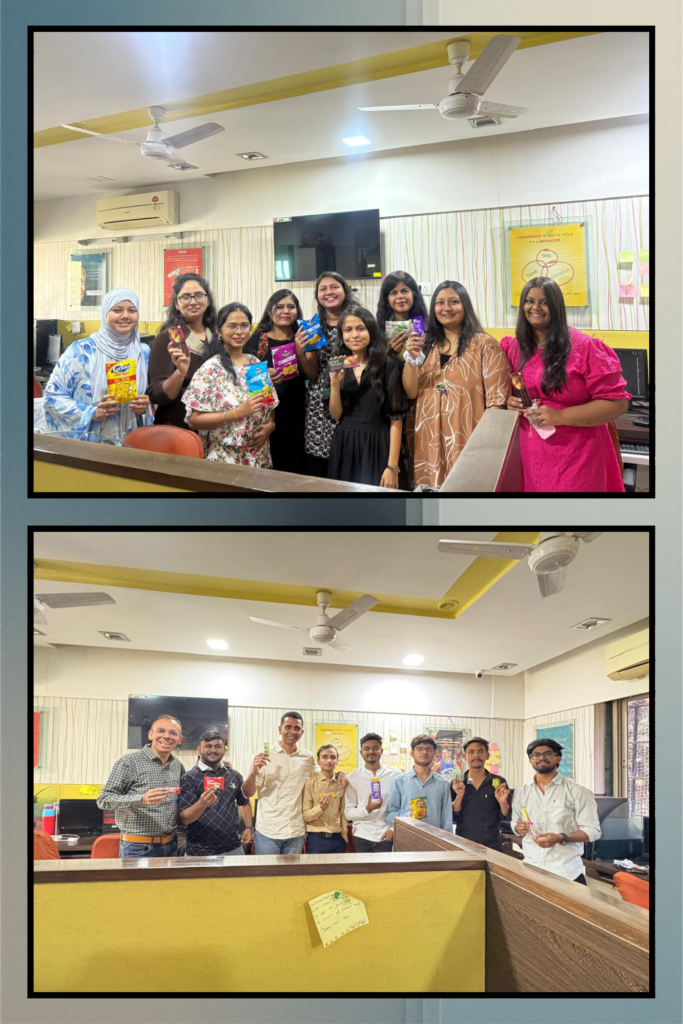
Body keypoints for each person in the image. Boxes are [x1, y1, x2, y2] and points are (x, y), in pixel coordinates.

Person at [501, 277, 630, 492]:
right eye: (529, 301)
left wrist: (559, 416)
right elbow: (504, 390)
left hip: (577, 452)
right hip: (529, 450)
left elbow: (617, 404)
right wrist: (509, 402)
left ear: (557, 306)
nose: (535, 307)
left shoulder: (585, 348)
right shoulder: (512, 347)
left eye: (544, 302)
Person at [402, 280, 511, 488]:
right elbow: (411, 392)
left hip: (468, 443)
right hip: (427, 442)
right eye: (440, 303)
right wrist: (411, 358)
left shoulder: (484, 345)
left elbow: (498, 403)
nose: (446, 308)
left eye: (454, 301)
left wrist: (487, 450)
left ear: (465, 306)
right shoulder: (425, 344)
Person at [43, 288, 152, 441]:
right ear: (105, 313)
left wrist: (145, 407)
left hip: (130, 442)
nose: (126, 316)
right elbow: (51, 398)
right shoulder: (81, 351)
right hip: (92, 442)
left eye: (132, 310)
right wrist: (91, 413)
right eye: (117, 310)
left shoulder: (143, 351)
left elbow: (143, 396)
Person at [182, 302, 278, 467]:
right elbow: (194, 420)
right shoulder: (210, 369)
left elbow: (268, 404)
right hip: (226, 459)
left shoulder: (254, 364)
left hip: (259, 456)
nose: (239, 332)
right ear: (219, 330)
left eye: (244, 326)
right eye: (232, 326)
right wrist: (238, 412)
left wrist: (270, 424)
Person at [327, 305, 408, 488]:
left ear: (371, 330)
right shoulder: (336, 365)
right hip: (345, 444)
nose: (354, 335)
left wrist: (392, 466)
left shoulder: (388, 365)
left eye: (360, 328)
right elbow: (336, 415)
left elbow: (396, 418)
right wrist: (334, 384)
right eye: (348, 330)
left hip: (379, 444)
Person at [510, 738, 601, 883]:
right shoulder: (521, 792)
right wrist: (517, 827)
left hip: (566, 873)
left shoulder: (578, 792)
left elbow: (593, 831)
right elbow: (515, 821)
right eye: (536, 755)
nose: (541, 758)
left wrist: (561, 837)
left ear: (558, 758)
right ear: (530, 760)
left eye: (547, 754)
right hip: (531, 870)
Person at [244, 289, 314, 475]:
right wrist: (263, 376)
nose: (286, 311)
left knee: (297, 463)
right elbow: (246, 375)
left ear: (296, 311)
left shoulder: (304, 336)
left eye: (291, 307)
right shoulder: (259, 339)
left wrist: (300, 351)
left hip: (299, 409)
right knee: (272, 463)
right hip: (266, 412)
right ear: (269, 311)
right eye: (280, 307)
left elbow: (313, 373)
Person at [97, 715, 185, 858]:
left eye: (173, 733)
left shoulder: (177, 765)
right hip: (138, 848)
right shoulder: (129, 762)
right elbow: (104, 799)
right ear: (151, 734)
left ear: (179, 739)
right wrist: (141, 799)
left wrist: (219, 768)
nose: (166, 736)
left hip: (171, 844)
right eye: (161, 731)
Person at [147, 272, 218, 430]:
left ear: (207, 300)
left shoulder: (217, 335)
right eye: (185, 297)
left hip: (215, 424)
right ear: (177, 304)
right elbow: (157, 395)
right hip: (178, 426)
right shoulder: (169, 339)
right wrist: (179, 373)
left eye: (199, 295)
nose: (193, 302)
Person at [242, 712, 317, 855]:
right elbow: (247, 793)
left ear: (302, 732)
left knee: (291, 876)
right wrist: (253, 772)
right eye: (288, 727)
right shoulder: (263, 755)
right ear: (280, 729)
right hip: (268, 831)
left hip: (295, 831)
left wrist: (340, 775)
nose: (292, 732)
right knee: (266, 874)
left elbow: (321, 775)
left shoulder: (307, 757)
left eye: (297, 728)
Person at [302, 271, 353, 477]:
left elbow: (367, 358)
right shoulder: (313, 326)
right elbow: (313, 373)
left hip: (352, 395)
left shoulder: (357, 320)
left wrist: (340, 365)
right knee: (319, 464)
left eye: (334, 287)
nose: (328, 292)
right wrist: (301, 351)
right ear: (317, 296)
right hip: (319, 402)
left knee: (348, 458)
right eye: (323, 289)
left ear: (344, 291)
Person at [178, 731, 254, 857]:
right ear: (199, 749)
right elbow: (184, 819)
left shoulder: (234, 775)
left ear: (224, 750)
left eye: (218, 746)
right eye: (208, 746)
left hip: (233, 848)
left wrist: (249, 827)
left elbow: (244, 802)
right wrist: (202, 803)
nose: (213, 750)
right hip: (199, 850)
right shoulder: (188, 778)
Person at [344, 732, 402, 852]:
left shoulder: (396, 775)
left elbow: (403, 806)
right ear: (361, 752)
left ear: (381, 751)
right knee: (365, 871)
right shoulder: (352, 778)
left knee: (387, 871)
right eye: (367, 748)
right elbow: (348, 813)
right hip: (362, 835)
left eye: (375, 748)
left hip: (387, 834)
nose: (371, 751)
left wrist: (393, 829)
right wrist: (368, 808)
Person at [451, 737, 511, 852]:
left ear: (487, 755)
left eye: (480, 751)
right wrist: (459, 797)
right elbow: (453, 816)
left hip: (492, 846)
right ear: (464, 756)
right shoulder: (457, 784)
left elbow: (505, 815)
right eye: (471, 752)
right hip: (463, 846)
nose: (476, 755)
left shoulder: (498, 782)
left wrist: (502, 802)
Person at [385, 734, 453, 834]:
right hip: (406, 837)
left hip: (433, 839)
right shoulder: (400, 781)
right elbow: (389, 814)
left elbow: (447, 818)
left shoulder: (442, 783)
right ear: (412, 753)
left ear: (434, 753)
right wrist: (407, 816)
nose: (424, 752)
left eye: (428, 749)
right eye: (420, 749)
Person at [302, 744, 349, 853]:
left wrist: (345, 837)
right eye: (325, 757)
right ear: (318, 761)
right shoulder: (310, 783)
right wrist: (321, 808)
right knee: (315, 870)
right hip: (316, 839)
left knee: (338, 870)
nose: (329, 760)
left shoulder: (341, 783)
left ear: (337, 761)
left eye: (333, 757)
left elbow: (342, 813)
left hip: (338, 838)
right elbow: (306, 816)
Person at [376, 271, 429, 361]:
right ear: (387, 299)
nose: (400, 296)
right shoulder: (378, 329)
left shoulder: (427, 325)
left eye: (404, 291)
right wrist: (391, 354)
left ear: (414, 295)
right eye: (393, 293)